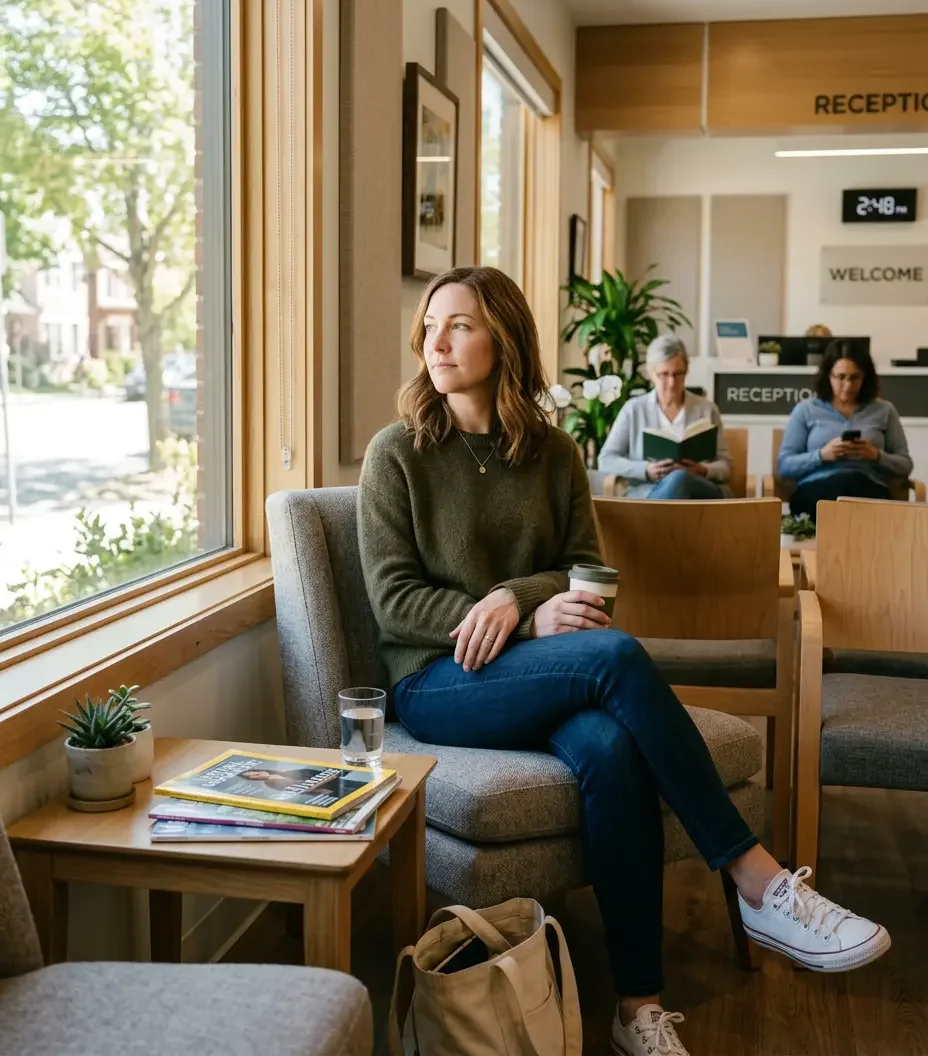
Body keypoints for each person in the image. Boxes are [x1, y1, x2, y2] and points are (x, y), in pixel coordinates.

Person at [357, 266, 890, 1056]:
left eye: (461, 323)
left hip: (527, 675)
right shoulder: (396, 453)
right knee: (614, 656)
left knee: (609, 750)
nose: (437, 339)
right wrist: (520, 615)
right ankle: (758, 879)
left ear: (502, 336)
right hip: (436, 681)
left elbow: (586, 568)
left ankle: (637, 1006)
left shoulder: (553, 452)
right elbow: (394, 600)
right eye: (431, 323)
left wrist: (519, 600)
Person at [778, 339, 912, 522]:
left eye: (855, 377)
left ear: (865, 377)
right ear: (828, 375)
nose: (847, 386)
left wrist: (876, 456)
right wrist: (822, 455)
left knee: (854, 486)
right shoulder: (806, 410)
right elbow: (785, 466)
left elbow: (905, 464)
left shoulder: (884, 410)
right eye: (840, 377)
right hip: (817, 488)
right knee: (839, 491)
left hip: (867, 486)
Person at [598, 335, 731, 500]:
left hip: (699, 491)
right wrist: (645, 470)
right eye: (664, 374)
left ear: (687, 370)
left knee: (679, 477)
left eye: (678, 374)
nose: (671, 382)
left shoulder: (707, 409)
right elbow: (606, 459)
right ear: (651, 373)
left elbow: (725, 466)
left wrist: (703, 469)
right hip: (648, 489)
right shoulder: (634, 409)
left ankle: (658, 523)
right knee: (674, 483)